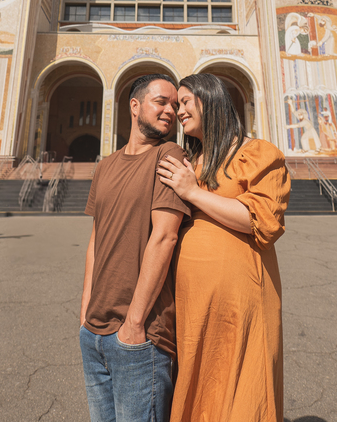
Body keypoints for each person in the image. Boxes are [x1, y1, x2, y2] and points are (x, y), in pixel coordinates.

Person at [156, 73, 291, 422]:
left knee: (240, 386)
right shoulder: (192, 160)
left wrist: (193, 192)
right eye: (174, 104)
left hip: (240, 297)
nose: (178, 112)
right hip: (192, 300)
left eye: (185, 102)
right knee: (200, 378)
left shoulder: (256, 153)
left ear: (210, 99)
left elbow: (260, 221)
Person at [80, 74, 190, 422]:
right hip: (94, 334)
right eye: (162, 101)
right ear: (135, 105)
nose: (171, 110)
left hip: (140, 337)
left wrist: (135, 323)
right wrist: (85, 315)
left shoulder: (168, 154)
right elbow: (95, 242)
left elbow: (165, 237)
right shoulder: (105, 166)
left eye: (175, 105)